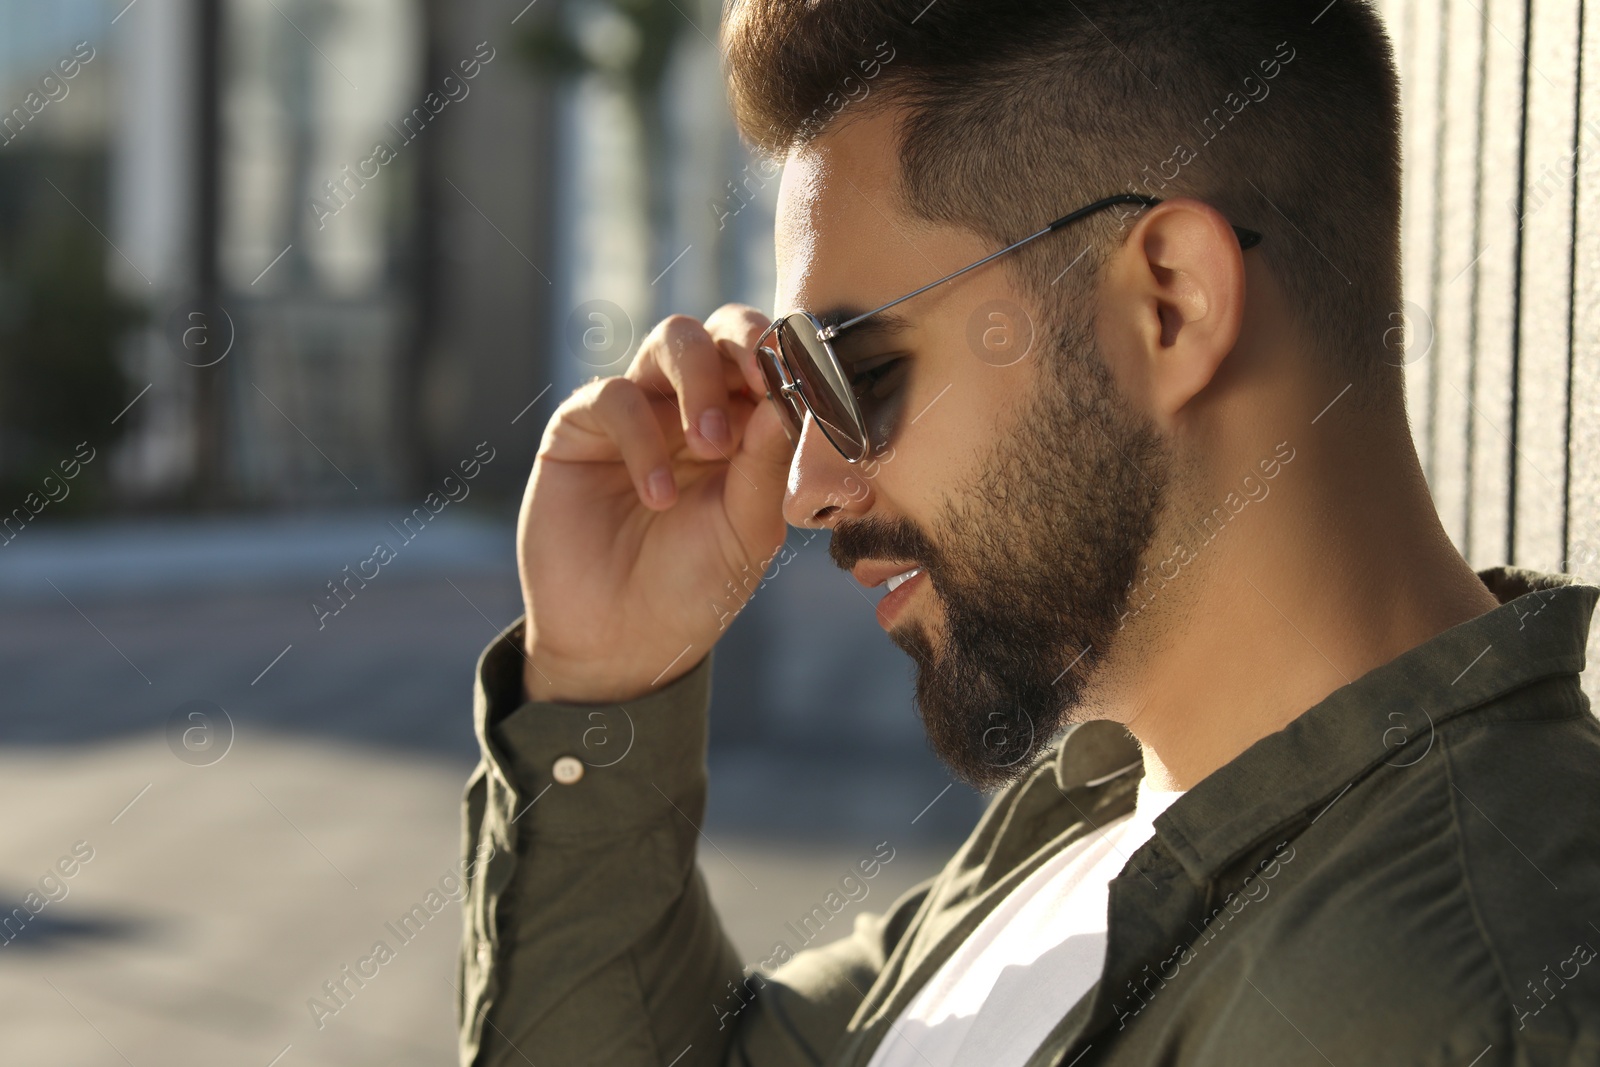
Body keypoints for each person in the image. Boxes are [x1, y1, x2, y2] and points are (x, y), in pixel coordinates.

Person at [453, 1, 1600, 1064]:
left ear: (1168, 306)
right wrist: (602, 682)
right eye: (790, 388)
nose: (805, 488)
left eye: (856, 373)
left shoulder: (1458, 1009)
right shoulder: (1098, 804)